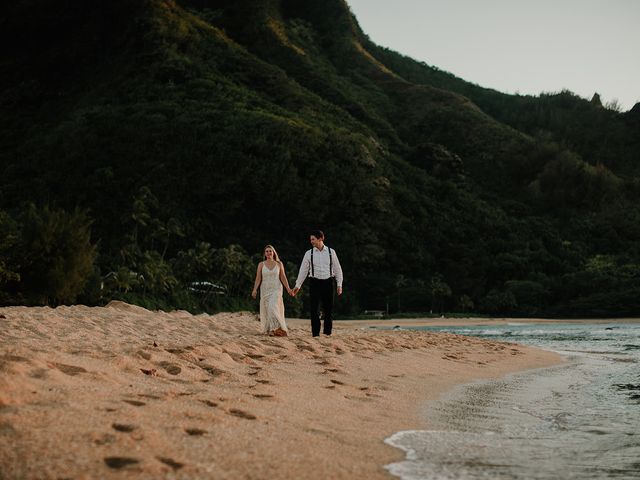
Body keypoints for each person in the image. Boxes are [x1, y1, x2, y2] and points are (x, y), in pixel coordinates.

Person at [292, 230, 343, 337]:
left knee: (328, 309)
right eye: (311, 239)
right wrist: (298, 285)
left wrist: (339, 284)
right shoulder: (308, 253)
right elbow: (303, 271)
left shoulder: (331, 252)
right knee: (314, 309)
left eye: (313, 239)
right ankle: (315, 334)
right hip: (314, 282)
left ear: (320, 238)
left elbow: (337, 269)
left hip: (328, 282)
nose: (311, 241)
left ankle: (327, 333)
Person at [251, 245, 292, 337]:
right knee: (267, 309)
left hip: (276, 288)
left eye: (270, 251)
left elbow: (283, 277)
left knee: (272, 306)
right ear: (264, 253)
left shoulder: (279, 264)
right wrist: (255, 289)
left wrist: (288, 288)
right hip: (265, 289)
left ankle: (279, 327)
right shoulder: (261, 264)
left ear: (273, 253)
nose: (269, 253)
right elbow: (258, 278)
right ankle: (272, 330)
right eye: (267, 251)